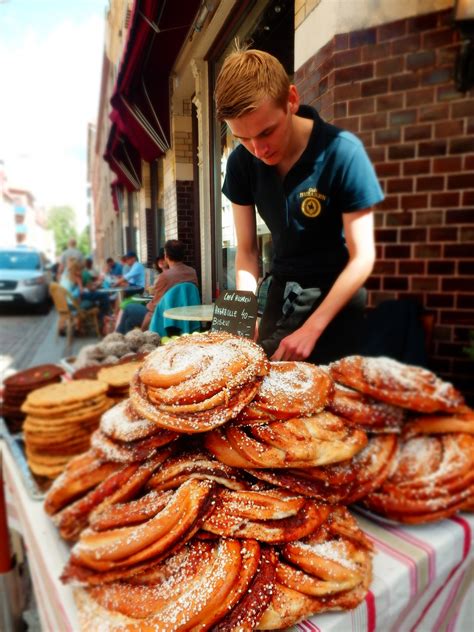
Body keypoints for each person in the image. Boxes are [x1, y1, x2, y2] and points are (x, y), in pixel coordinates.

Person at [215, 48, 384, 364]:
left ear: (291, 99)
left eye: (266, 131)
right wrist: (243, 312)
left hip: (336, 302)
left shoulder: (343, 153)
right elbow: (248, 251)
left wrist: (312, 328)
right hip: (281, 295)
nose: (258, 149)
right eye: (243, 138)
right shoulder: (241, 163)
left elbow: (363, 257)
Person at [116, 240, 198, 334]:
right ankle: (127, 343)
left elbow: (154, 307)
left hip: (163, 319)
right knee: (129, 321)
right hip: (185, 318)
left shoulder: (165, 276)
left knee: (128, 308)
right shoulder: (192, 272)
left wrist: (147, 305)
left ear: (166, 256)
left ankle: (117, 340)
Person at [60, 258, 110, 329]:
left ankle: (102, 318)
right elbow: (80, 293)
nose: (81, 272)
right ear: (76, 270)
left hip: (66, 304)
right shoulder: (75, 278)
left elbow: (76, 293)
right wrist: (80, 283)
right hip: (73, 305)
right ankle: (104, 319)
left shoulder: (65, 276)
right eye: (80, 270)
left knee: (97, 297)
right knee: (102, 297)